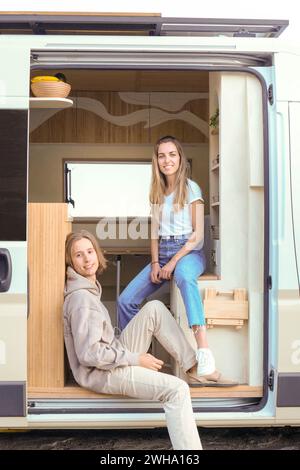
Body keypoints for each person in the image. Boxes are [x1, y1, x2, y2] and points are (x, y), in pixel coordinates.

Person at [63, 229, 203, 450]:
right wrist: (136, 359)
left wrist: (129, 355)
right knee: (177, 390)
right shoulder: (81, 299)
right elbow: (89, 354)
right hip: (103, 373)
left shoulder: (88, 289)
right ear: (70, 261)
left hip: (113, 356)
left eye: (89, 251)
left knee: (154, 309)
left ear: (97, 254)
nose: (87, 259)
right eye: (78, 255)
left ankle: (192, 367)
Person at [118, 135, 237, 386]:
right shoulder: (156, 191)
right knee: (125, 300)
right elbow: (153, 233)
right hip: (162, 252)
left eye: (172, 154)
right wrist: (155, 263)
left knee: (183, 276)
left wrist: (173, 262)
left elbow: (198, 236)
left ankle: (204, 355)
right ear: (156, 160)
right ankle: (136, 359)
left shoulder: (191, 188)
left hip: (189, 251)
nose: (167, 160)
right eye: (162, 155)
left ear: (180, 158)